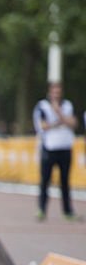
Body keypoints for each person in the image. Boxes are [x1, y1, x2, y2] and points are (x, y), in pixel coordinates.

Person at [33, 82, 80, 221]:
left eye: (59, 91)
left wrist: (59, 114)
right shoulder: (42, 106)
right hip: (49, 147)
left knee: (65, 182)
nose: (56, 94)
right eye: (54, 91)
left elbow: (74, 123)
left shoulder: (67, 105)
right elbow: (43, 126)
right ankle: (41, 209)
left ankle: (67, 211)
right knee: (45, 180)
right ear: (50, 92)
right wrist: (61, 121)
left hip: (65, 147)